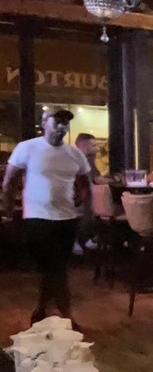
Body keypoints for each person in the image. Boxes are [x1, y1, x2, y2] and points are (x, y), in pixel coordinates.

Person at [1, 108, 93, 326]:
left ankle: (41, 309)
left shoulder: (75, 154)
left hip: (67, 218)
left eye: (65, 123)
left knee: (54, 267)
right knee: (56, 266)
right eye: (57, 121)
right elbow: (9, 181)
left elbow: (85, 185)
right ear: (44, 123)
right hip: (37, 217)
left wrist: (86, 211)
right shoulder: (27, 148)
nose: (62, 126)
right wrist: (8, 209)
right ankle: (66, 314)